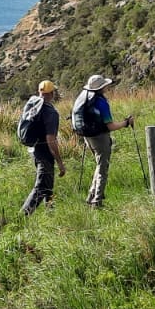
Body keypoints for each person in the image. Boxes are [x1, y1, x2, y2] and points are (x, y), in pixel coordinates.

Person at [72, 74, 133, 208]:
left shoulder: (85, 97)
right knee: (103, 169)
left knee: (99, 165)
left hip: (87, 136)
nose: (107, 86)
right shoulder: (100, 102)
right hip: (100, 137)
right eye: (105, 85)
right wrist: (126, 123)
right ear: (102, 87)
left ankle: (91, 196)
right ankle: (97, 201)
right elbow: (110, 126)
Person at [20, 80, 67, 215]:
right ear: (52, 93)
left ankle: (50, 211)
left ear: (39, 92)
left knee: (48, 182)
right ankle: (23, 216)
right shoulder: (51, 113)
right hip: (44, 152)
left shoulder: (34, 105)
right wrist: (60, 162)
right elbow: (51, 139)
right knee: (41, 186)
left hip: (34, 149)